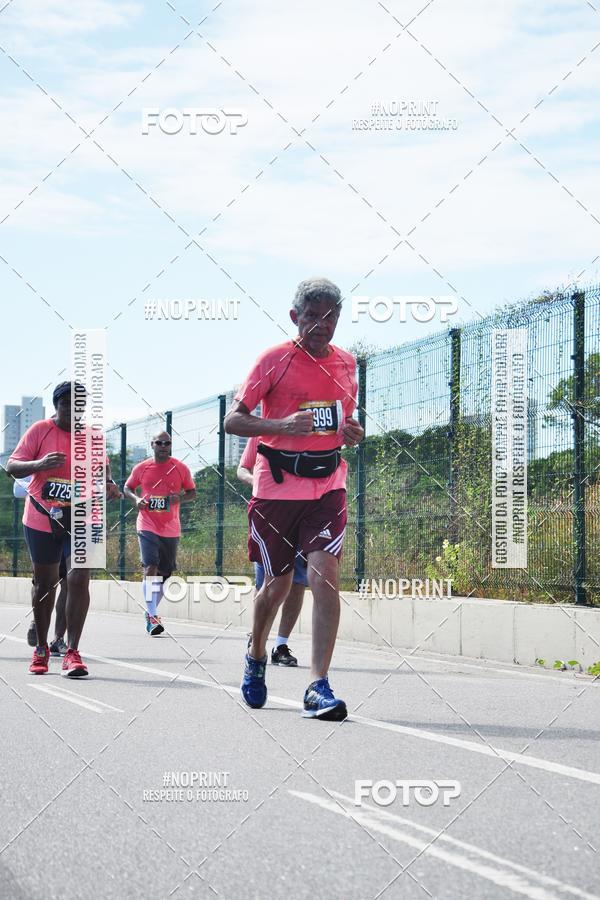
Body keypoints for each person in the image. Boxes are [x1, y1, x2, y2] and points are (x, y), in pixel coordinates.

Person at [225, 277, 364, 720]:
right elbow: (233, 421)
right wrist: (282, 426)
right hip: (277, 488)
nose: (322, 325)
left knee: (324, 577)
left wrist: (353, 433)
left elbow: (343, 420)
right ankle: (256, 653)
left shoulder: (347, 363)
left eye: (330, 317)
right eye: (312, 316)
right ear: (294, 317)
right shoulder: (273, 360)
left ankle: (318, 685)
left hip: (328, 486)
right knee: (277, 586)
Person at [6, 382, 121, 676]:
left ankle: (72, 651)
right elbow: (12, 467)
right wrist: (40, 463)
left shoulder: (93, 437)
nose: (74, 409)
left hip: (83, 517)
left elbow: (103, 469)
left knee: (79, 579)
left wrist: (109, 484)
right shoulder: (40, 431)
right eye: (68, 403)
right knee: (45, 585)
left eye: (80, 404)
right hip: (43, 516)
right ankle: (41, 649)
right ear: (57, 405)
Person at [237, 436, 306, 666]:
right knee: (266, 583)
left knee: (297, 582)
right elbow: (241, 469)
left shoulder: (310, 426)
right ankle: (258, 640)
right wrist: (256, 480)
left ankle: (281, 645)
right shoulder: (261, 432)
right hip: (269, 512)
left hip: (303, 512)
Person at [124, 432, 196, 635]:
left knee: (164, 573)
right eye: (159, 443)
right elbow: (128, 488)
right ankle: (153, 616)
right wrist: (136, 500)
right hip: (147, 523)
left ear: (171, 445)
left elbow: (192, 493)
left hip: (171, 527)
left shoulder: (180, 468)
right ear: (152, 445)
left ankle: (149, 612)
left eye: (167, 443)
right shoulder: (142, 467)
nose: (163, 446)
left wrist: (179, 498)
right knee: (151, 565)